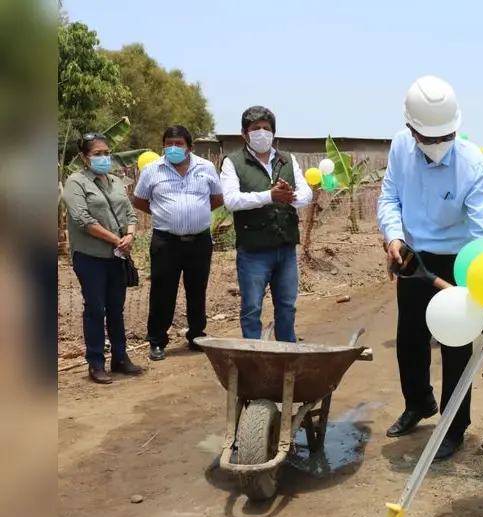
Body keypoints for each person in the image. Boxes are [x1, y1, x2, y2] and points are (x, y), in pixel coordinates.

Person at [377, 75, 483, 462]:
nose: (436, 144)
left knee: (456, 345)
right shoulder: (399, 148)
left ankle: (454, 425)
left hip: (458, 259)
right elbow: (389, 196)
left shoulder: (473, 165)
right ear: (411, 129)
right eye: (426, 137)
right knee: (409, 339)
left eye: (444, 136)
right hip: (411, 256)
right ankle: (419, 403)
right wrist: (393, 236)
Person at [219, 106, 313, 343]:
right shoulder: (233, 162)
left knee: (287, 306)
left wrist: (290, 196)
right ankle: (254, 358)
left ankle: (286, 354)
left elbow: (306, 194)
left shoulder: (287, 160)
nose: (262, 133)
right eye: (255, 128)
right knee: (251, 309)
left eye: (266, 128)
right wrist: (269, 196)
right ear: (244, 134)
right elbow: (231, 200)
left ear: (273, 132)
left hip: (286, 248)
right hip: (253, 251)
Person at [132, 125, 224, 361]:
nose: (173, 148)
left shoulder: (206, 167)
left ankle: (196, 336)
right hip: (166, 242)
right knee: (163, 291)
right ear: (162, 146)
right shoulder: (152, 170)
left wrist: (195, 214)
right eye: (169, 143)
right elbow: (140, 200)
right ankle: (157, 341)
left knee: (197, 289)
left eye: (179, 144)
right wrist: (165, 214)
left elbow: (216, 198)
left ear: (190, 147)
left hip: (199, 241)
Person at [61, 132, 145, 384]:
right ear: (84, 158)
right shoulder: (75, 182)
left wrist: (129, 235)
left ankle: (120, 358)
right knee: (95, 309)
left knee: (116, 308)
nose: (104, 158)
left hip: (118, 256)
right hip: (90, 257)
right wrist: (115, 239)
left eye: (106, 153)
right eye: (97, 154)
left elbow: (131, 213)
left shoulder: (116, 181)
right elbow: (82, 220)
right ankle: (95, 363)